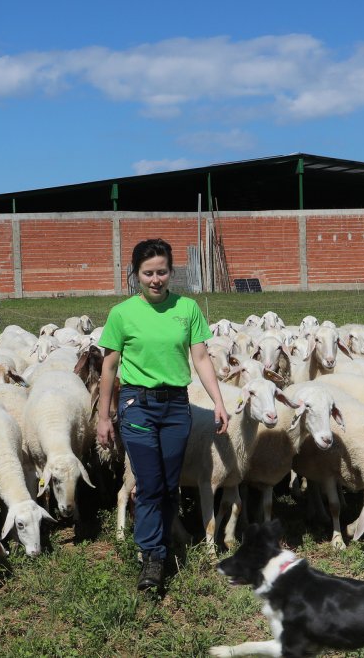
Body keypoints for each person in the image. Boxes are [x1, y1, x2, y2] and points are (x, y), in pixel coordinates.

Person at [96, 238, 229, 592]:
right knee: (150, 483)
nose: (156, 279)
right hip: (136, 404)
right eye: (148, 273)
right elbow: (109, 367)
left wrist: (217, 400)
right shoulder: (122, 314)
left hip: (175, 406)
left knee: (170, 485)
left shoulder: (187, 309)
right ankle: (152, 557)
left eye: (162, 272)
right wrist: (104, 416)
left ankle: (163, 541)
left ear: (171, 272)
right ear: (136, 274)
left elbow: (201, 358)